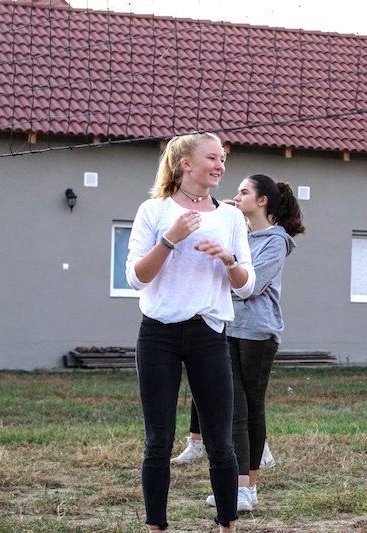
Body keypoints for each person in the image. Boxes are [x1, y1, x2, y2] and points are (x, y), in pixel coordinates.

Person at [126, 132, 256, 533]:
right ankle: (156, 527)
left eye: (223, 159)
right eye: (212, 158)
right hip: (158, 336)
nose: (220, 166)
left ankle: (227, 525)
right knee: (158, 441)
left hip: (208, 335)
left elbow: (246, 286)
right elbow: (136, 278)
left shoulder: (230, 217)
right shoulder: (154, 210)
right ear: (186, 164)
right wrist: (170, 239)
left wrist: (230, 260)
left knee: (220, 441)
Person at [173, 173, 305, 512]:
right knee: (234, 409)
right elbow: (228, 279)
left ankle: (247, 488)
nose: (236, 196)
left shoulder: (275, 241)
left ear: (262, 201)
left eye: (243, 192)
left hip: (258, 332)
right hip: (228, 327)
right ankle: (240, 487)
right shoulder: (240, 235)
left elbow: (251, 286)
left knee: (250, 408)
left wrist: (231, 280)